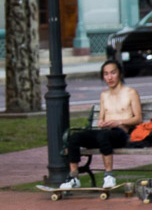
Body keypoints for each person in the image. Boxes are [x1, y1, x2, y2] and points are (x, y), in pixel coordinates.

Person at [60, 59, 142, 189]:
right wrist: (101, 122)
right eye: (106, 74)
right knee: (74, 138)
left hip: (120, 133)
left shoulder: (130, 93)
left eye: (113, 73)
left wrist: (118, 122)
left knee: (103, 137)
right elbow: (101, 119)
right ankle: (74, 177)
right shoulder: (104, 95)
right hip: (104, 132)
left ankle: (108, 176)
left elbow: (138, 119)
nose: (109, 77)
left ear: (120, 74)